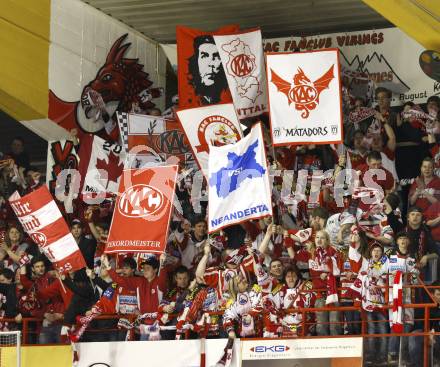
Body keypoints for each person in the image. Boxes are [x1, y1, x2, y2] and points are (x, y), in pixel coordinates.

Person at [286, 230, 342, 336]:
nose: (319, 240)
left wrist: (328, 272)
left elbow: (339, 269)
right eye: (317, 238)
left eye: (322, 238)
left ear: (327, 240)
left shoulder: (333, 252)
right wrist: (287, 239)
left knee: (334, 325)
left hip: (333, 294)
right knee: (321, 325)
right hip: (319, 295)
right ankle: (322, 350)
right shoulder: (310, 253)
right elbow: (293, 255)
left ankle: (336, 350)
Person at [102, 253, 168, 341]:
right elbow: (119, 280)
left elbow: (163, 278)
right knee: (143, 351)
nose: (144, 271)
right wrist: (108, 266)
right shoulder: (138, 281)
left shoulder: (159, 283)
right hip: (144, 324)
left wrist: (162, 264)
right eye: (143, 268)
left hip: (158, 323)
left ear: (155, 270)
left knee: (156, 352)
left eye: (148, 268)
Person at [188, 35, 229, 105]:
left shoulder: (228, 96)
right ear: (195, 61)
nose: (210, 64)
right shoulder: (191, 100)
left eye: (216, 57)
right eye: (204, 56)